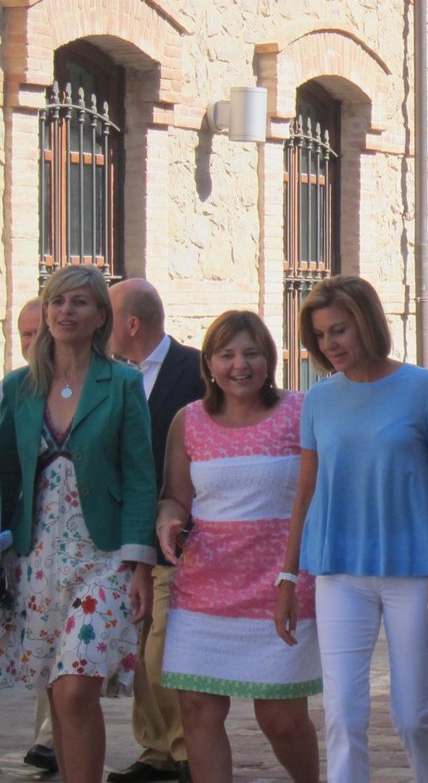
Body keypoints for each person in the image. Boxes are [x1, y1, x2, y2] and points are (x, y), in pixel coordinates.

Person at [274, 275, 428, 783]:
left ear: (367, 323)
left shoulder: (422, 388)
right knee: (341, 712)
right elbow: (306, 491)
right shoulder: (318, 400)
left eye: (339, 330)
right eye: (320, 335)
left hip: (417, 571)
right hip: (340, 572)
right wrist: (288, 576)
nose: (329, 344)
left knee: (413, 714)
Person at [0, 264, 157, 783]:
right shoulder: (19, 387)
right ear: (46, 312)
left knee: (75, 687)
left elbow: (140, 475)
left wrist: (140, 563)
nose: (66, 311)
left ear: (100, 316)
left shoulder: (123, 383)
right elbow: (4, 475)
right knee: (56, 688)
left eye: (80, 302)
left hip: (103, 558)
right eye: (58, 301)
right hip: (36, 558)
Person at [156, 311, 321, 783]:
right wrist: (168, 521)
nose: (239, 365)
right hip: (203, 590)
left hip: (281, 585)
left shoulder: (300, 411)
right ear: (209, 363)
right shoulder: (188, 420)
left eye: (251, 353)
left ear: (269, 358)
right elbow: (175, 497)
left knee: (281, 718)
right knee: (198, 710)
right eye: (226, 355)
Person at [107, 278, 205, 783]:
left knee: (161, 647)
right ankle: (156, 751)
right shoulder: (112, 377)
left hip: (184, 535)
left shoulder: (195, 369)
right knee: (141, 645)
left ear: (131, 324)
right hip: (131, 536)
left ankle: (188, 751)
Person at [11, 297, 59, 775]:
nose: (31, 343)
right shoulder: (16, 391)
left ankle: (51, 737)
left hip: (80, 545)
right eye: (25, 335)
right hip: (26, 541)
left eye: (36, 334)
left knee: (65, 652)